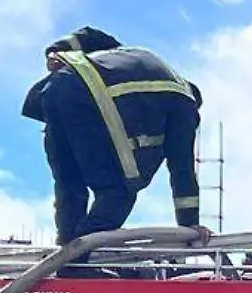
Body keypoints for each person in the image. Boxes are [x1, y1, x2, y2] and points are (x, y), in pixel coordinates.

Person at [21, 27, 210, 257]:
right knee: (119, 192)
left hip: (53, 91)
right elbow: (182, 169)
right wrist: (190, 226)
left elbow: (92, 35)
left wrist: (58, 50)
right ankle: (77, 258)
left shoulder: (135, 60)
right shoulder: (183, 103)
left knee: (71, 183)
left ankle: (67, 255)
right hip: (87, 101)